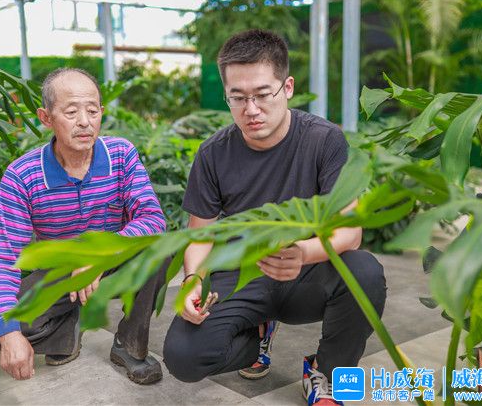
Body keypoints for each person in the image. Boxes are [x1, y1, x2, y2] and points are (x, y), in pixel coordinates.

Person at [162, 29, 387, 405]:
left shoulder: (324, 140)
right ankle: (254, 341)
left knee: (364, 272)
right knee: (182, 358)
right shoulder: (213, 153)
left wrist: (303, 253)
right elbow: (199, 234)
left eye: (262, 95)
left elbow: (350, 232)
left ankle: (327, 372)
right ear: (228, 97)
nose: (251, 110)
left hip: (307, 271)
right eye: (238, 98)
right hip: (242, 273)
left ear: (287, 88)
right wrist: (192, 280)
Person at [0, 68, 166, 385]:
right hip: (61, 274)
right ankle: (67, 330)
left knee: (160, 248)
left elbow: (152, 219)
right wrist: (9, 334)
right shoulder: (22, 175)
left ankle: (129, 344)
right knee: (1, 326)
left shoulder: (121, 155)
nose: (84, 121)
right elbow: (4, 257)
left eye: (92, 111)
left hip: (115, 259)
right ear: (46, 117)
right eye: (71, 111)